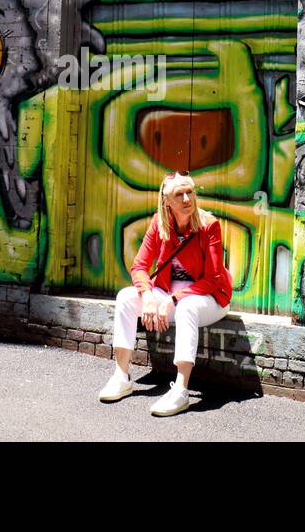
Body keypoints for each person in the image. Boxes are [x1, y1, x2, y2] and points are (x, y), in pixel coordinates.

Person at [98, 172, 234, 416]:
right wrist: (149, 296)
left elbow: (213, 280)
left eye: (189, 192)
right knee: (127, 298)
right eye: (178, 194)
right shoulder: (160, 224)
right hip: (167, 296)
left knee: (187, 307)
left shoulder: (208, 225)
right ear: (166, 201)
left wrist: (172, 300)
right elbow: (139, 266)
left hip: (210, 298)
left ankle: (181, 390)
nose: (186, 198)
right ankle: (121, 375)